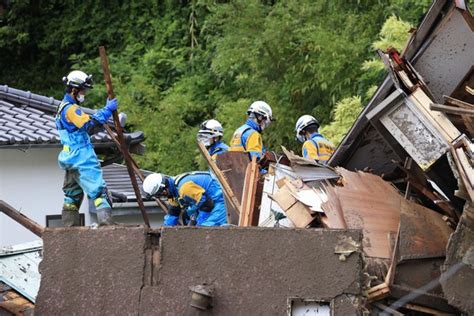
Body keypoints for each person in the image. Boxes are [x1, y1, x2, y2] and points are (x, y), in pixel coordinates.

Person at [56, 70, 118, 226]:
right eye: (83, 90)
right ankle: (106, 225)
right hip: (82, 155)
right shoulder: (71, 109)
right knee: (100, 192)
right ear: (74, 90)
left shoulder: (61, 107)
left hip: (69, 156)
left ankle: (69, 228)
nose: (85, 93)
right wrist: (107, 110)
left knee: (72, 194)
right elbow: (89, 126)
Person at [142, 171, 227, 227]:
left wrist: (199, 224)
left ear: (164, 188)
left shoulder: (184, 188)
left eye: (160, 195)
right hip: (204, 202)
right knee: (187, 216)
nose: (162, 197)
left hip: (219, 199)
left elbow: (207, 204)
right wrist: (165, 229)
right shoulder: (171, 193)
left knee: (205, 229)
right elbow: (173, 211)